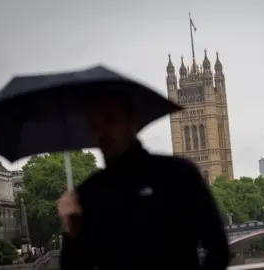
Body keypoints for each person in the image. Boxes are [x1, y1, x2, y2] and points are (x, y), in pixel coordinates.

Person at [57, 92, 230, 270]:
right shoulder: (88, 194)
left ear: (132, 121)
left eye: (110, 120)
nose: (102, 131)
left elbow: (218, 249)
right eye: (94, 125)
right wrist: (70, 233)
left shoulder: (178, 175)